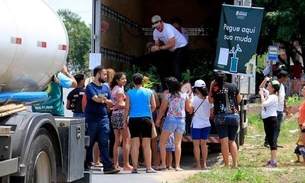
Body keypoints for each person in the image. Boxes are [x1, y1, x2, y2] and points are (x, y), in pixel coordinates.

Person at [84, 65, 120, 174]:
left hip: (104, 119)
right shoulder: (90, 87)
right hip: (91, 120)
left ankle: (107, 166)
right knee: (89, 143)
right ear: (98, 74)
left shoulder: (105, 87)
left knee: (104, 143)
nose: (106, 76)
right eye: (104, 74)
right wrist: (104, 100)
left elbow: (111, 102)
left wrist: (103, 100)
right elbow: (95, 99)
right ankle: (87, 163)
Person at [155, 76, 192, 171]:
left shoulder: (168, 96)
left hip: (170, 119)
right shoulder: (184, 95)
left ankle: (163, 164)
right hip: (181, 120)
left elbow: (162, 109)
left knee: (162, 142)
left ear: (169, 85)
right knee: (178, 143)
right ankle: (177, 166)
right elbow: (189, 109)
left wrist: (158, 120)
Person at [122, 73, 157, 173]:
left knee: (134, 144)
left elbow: (127, 108)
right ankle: (148, 167)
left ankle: (135, 168)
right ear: (142, 81)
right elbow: (154, 106)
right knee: (146, 144)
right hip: (146, 118)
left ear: (133, 82)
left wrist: (124, 120)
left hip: (133, 119)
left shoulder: (129, 93)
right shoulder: (149, 92)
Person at [208, 71, 242, 168]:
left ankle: (227, 165)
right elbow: (239, 100)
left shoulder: (215, 88)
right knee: (232, 141)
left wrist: (211, 86)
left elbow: (210, 101)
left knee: (224, 141)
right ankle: (235, 164)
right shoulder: (233, 86)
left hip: (221, 116)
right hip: (234, 116)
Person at [150, 15, 188, 82]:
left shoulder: (168, 28)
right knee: (169, 65)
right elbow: (157, 46)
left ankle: (177, 85)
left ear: (162, 22)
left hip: (181, 45)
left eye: (158, 25)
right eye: (155, 26)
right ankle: (169, 83)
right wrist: (154, 48)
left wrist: (159, 48)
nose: (157, 27)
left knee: (175, 65)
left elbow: (172, 44)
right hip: (172, 49)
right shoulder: (155, 32)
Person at [110, 72, 133, 171]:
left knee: (117, 140)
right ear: (117, 80)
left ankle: (116, 164)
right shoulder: (119, 90)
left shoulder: (114, 89)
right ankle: (126, 164)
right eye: (122, 79)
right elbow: (119, 104)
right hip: (120, 115)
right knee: (126, 139)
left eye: (125, 78)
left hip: (114, 115)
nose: (125, 80)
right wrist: (130, 105)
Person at [191, 79, 213, 169]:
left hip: (196, 124)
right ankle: (204, 164)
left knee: (196, 145)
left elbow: (190, 111)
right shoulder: (209, 99)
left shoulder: (194, 99)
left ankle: (198, 164)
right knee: (204, 144)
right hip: (206, 124)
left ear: (196, 89)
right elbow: (212, 111)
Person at [259, 78, 280, 167]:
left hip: (271, 119)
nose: (268, 85)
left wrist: (261, 95)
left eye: (270, 85)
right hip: (267, 119)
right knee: (269, 139)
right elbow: (261, 88)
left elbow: (264, 103)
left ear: (273, 88)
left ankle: (273, 161)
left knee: (272, 140)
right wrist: (265, 80)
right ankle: (271, 160)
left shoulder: (274, 97)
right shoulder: (269, 94)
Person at [264, 70, 288, 148]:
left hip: (280, 109)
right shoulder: (273, 84)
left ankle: (274, 142)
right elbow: (267, 94)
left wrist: (285, 107)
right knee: (271, 127)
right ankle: (268, 141)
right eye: (286, 78)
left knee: (277, 127)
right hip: (273, 109)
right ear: (282, 77)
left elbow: (283, 97)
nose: (286, 79)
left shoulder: (282, 86)